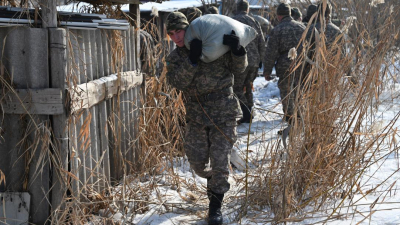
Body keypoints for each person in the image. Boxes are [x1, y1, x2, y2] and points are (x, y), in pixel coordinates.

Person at [165, 12, 248, 225]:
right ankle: (212, 180)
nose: (176, 37)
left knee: (220, 159)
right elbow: (177, 83)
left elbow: (239, 71)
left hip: (224, 111)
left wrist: (238, 50)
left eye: (179, 31)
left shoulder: (215, 45)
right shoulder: (175, 58)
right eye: (171, 33)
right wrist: (191, 60)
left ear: (189, 27)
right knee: (197, 162)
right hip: (197, 115)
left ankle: (215, 208)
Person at [263, 3, 315, 127]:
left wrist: (267, 71)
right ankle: (299, 116)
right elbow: (310, 47)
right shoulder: (302, 27)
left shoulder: (277, 30)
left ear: (278, 15)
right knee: (299, 90)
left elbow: (271, 52)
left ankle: (291, 118)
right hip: (302, 64)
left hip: (284, 65)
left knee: (287, 92)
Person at [232, 0, 266, 124]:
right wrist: (261, 59)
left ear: (237, 8)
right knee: (248, 86)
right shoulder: (254, 21)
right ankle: (249, 112)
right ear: (247, 9)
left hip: (239, 61)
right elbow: (261, 42)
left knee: (236, 88)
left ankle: (246, 113)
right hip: (254, 61)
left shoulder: (232, 21)